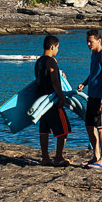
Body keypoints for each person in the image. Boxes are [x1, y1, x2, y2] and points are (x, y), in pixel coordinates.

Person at [78, 29, 102, 169]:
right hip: (92, 96)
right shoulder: (93, 54)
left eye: (90, 41)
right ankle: (95, 156)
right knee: (89, 127)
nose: (88, 44)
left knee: (101, 128)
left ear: (99, 40)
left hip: (101, 98)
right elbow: (93, 73)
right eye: (87, 41)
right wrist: (84, 83)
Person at [35, 35, 71, 167]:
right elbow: (54, 81)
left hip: (41, 101)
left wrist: (59, 73)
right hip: (52, 101)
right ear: (52, 46)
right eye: (57, 47)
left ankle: (45, 158)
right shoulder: (51, 61)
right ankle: (58, 157)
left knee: (44, 130)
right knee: (64, 129)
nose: (57, 50)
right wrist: (61, 96)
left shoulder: (39, 61)